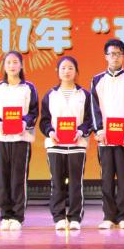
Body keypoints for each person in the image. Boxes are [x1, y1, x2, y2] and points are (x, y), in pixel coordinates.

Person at [90, 39, 124, 230]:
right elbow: (94, 108)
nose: (115, 57)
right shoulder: (97, 80)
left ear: (123, 56)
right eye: (112, 53)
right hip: (105, 139)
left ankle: (123, 216)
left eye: (119, 53)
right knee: (107, 177)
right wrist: (99, 130)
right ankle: (108, 216)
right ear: (106, 56)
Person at [0, 51, 38, 231]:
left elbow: (33, 111)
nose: (12, 65)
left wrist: (24, 122)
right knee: (2, 177)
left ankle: (17, 216)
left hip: (21, 139)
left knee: (18, 178)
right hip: (0, 138)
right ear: (4, 66)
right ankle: (5, 215)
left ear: (21, 65)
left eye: (15, 62)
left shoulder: (28, 88)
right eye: (8, 62)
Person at [40, 56, 92, 230]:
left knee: (76, 183)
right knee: (57, 182)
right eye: (63, 68)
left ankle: (75, 217)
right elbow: (44, 121)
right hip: (55, 146)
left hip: (77, 145)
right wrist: (51, 132)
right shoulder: (50, 95)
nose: (66, 71)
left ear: (76, 71)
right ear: (57, 71)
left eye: (70, 68)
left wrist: (81, 131)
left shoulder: (84, 95)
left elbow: (89, 120)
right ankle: (59, 217)